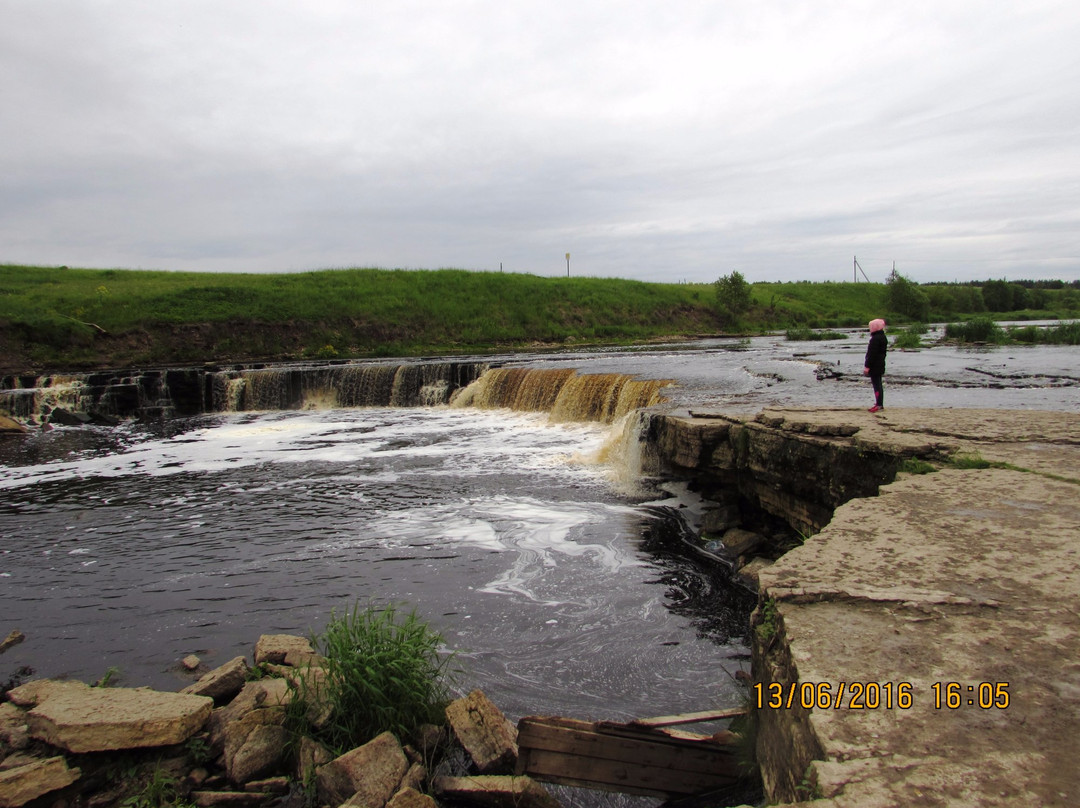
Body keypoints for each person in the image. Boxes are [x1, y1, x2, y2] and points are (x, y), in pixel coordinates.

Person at [863, 318, 887, 412]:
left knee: (876, 385)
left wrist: (867, 366)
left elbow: (871, 354)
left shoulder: (875, 339)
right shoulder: (883, 337)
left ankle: (879, 404)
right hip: (880, 364)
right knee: (879, 384)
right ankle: (879, 403)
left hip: (874, 365)